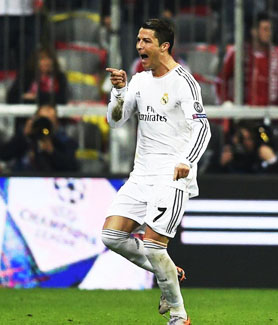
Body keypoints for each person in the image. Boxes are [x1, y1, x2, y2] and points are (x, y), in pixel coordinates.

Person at [103, 18, 211, 325]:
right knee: (111, 235)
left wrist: (187, 161)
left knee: (152, 245)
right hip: (142, 174)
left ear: (164, 46)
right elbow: (115, 120)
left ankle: (178, 315)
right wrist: (120, 92)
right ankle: (167, 272)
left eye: (146, 41)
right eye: (138, 40)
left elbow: (202, 128)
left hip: (172, 175)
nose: (139, 46)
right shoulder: (138, 80)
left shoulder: (184, 83)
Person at [217, 12, 278, 106]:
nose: (269, 33)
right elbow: (220, 81)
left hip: (272, 114)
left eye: (270, 29)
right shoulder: (238, 53)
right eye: (265, 29)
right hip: (243, 113)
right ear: (254, 31)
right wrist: (225, 102)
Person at [0, 103, 78, 172]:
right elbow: (3, 155)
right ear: (36, 119)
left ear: (56, 123)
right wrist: (23, 136)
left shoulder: (65, 141)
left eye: (50, 120)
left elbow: (72, 168)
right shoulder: (26, 137)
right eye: (43, 120)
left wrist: (52, 151)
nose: (45, 125)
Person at [209, 123, 278, 174]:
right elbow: (207, 179)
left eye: (249, 138)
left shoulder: (257, 158)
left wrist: (272, 160)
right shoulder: (226, 154)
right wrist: (219, 164)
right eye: (241, 138)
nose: (245, 142)